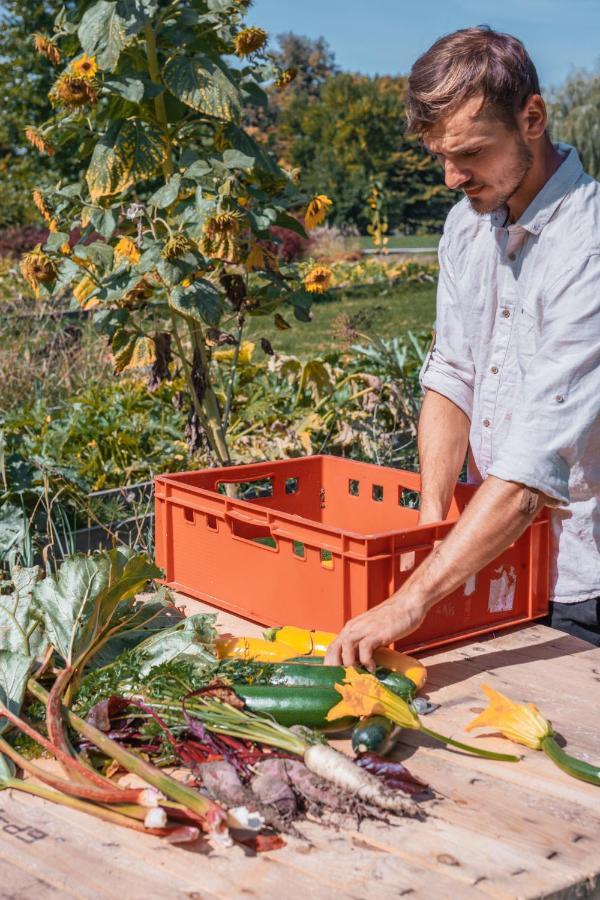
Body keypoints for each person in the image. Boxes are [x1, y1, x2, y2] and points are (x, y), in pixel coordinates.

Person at [325, 26, 600, 667]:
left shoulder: (587, 251)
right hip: (483, 559)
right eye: (440, 155)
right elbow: (452, 373)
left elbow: (537, 465)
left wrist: (412, 599)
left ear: (532, 117)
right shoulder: (466, 224)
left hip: (581, 579)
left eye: (471, 154)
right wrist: (430, 528)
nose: (452, 177)